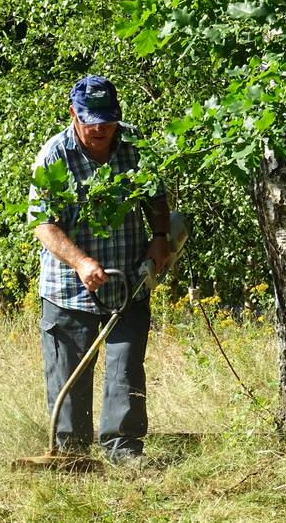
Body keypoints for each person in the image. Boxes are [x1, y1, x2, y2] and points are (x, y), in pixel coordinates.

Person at [28, 74, 170, 463]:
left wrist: (160, 235)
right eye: (91, 120)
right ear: (73, 113)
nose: (101, 128)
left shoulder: (135, 143)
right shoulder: (53, 156)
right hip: (69, 291)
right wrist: (81, 261)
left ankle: (122, 450)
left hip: (128, 283)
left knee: (125, 369)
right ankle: (71, 455)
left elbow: (157, 195)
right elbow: (43, 224)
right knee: (68, 377)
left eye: (107, 119)